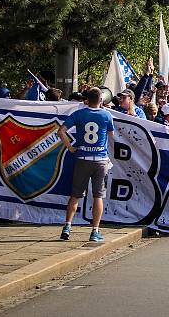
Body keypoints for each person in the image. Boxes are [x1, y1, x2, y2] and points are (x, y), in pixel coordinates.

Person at [58, 87, 114, 242]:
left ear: (86, 100)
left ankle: (67, 227)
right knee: (98, 196)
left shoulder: (79, 114)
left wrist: (70, 147)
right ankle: (95, 231)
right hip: (100, 159)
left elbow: (61, 131)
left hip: (82, 157)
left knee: (75, 195)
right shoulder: (106, 115)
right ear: (101, 100)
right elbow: (111, 134)